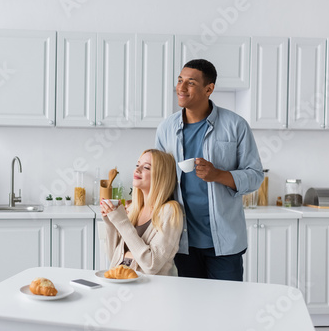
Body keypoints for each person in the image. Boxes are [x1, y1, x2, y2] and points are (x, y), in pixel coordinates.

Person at [155, 59, 263, 281]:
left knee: (226, 307)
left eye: (190, 82)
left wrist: (218, 175)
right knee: (189, 307)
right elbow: (158, 177)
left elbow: (255, 175)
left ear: (209, 89)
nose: (181, 88)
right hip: (181, 239)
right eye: (179, 80)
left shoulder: (235, 125)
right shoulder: (166, 128)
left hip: (224, 242)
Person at [100, 149, 183, 276]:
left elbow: (151, 265)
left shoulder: (170, 211)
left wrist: (121, 221)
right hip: (121, 283)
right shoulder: (133, 208)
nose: (137, 170)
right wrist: (110, 222)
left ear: (161, 175)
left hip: (150, 289)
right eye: (137, 165)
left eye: (146, 167)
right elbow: (114, 258)